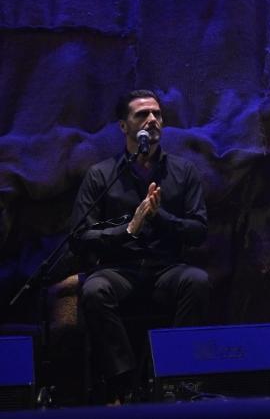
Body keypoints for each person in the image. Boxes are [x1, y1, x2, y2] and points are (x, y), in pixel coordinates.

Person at [70, 89, 210, 403]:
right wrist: (128, 230)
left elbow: (198, 231)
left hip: (166, 270)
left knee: (197, 281)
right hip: (119, 271)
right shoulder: (102, 174)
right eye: (142, 114)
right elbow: (81, 235)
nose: (152, 120)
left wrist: (159, 218)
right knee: (94, 290)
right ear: (124, 126)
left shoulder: (183, 172)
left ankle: (177, 378)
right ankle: (126, 384)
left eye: (157, 114)